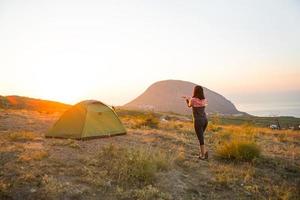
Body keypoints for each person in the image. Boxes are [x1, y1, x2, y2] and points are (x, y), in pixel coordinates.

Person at [183, 85, 208, 160]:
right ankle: (204, 152)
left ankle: (202, 156)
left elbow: (189, 105)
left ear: (195, 91)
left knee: (200, 138)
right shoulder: (204, 100)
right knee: (201, 137)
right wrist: (190, 98)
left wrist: (187, 100)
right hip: (205, 120)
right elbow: (199, 102)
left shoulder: (193, 100)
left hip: (198, 121)